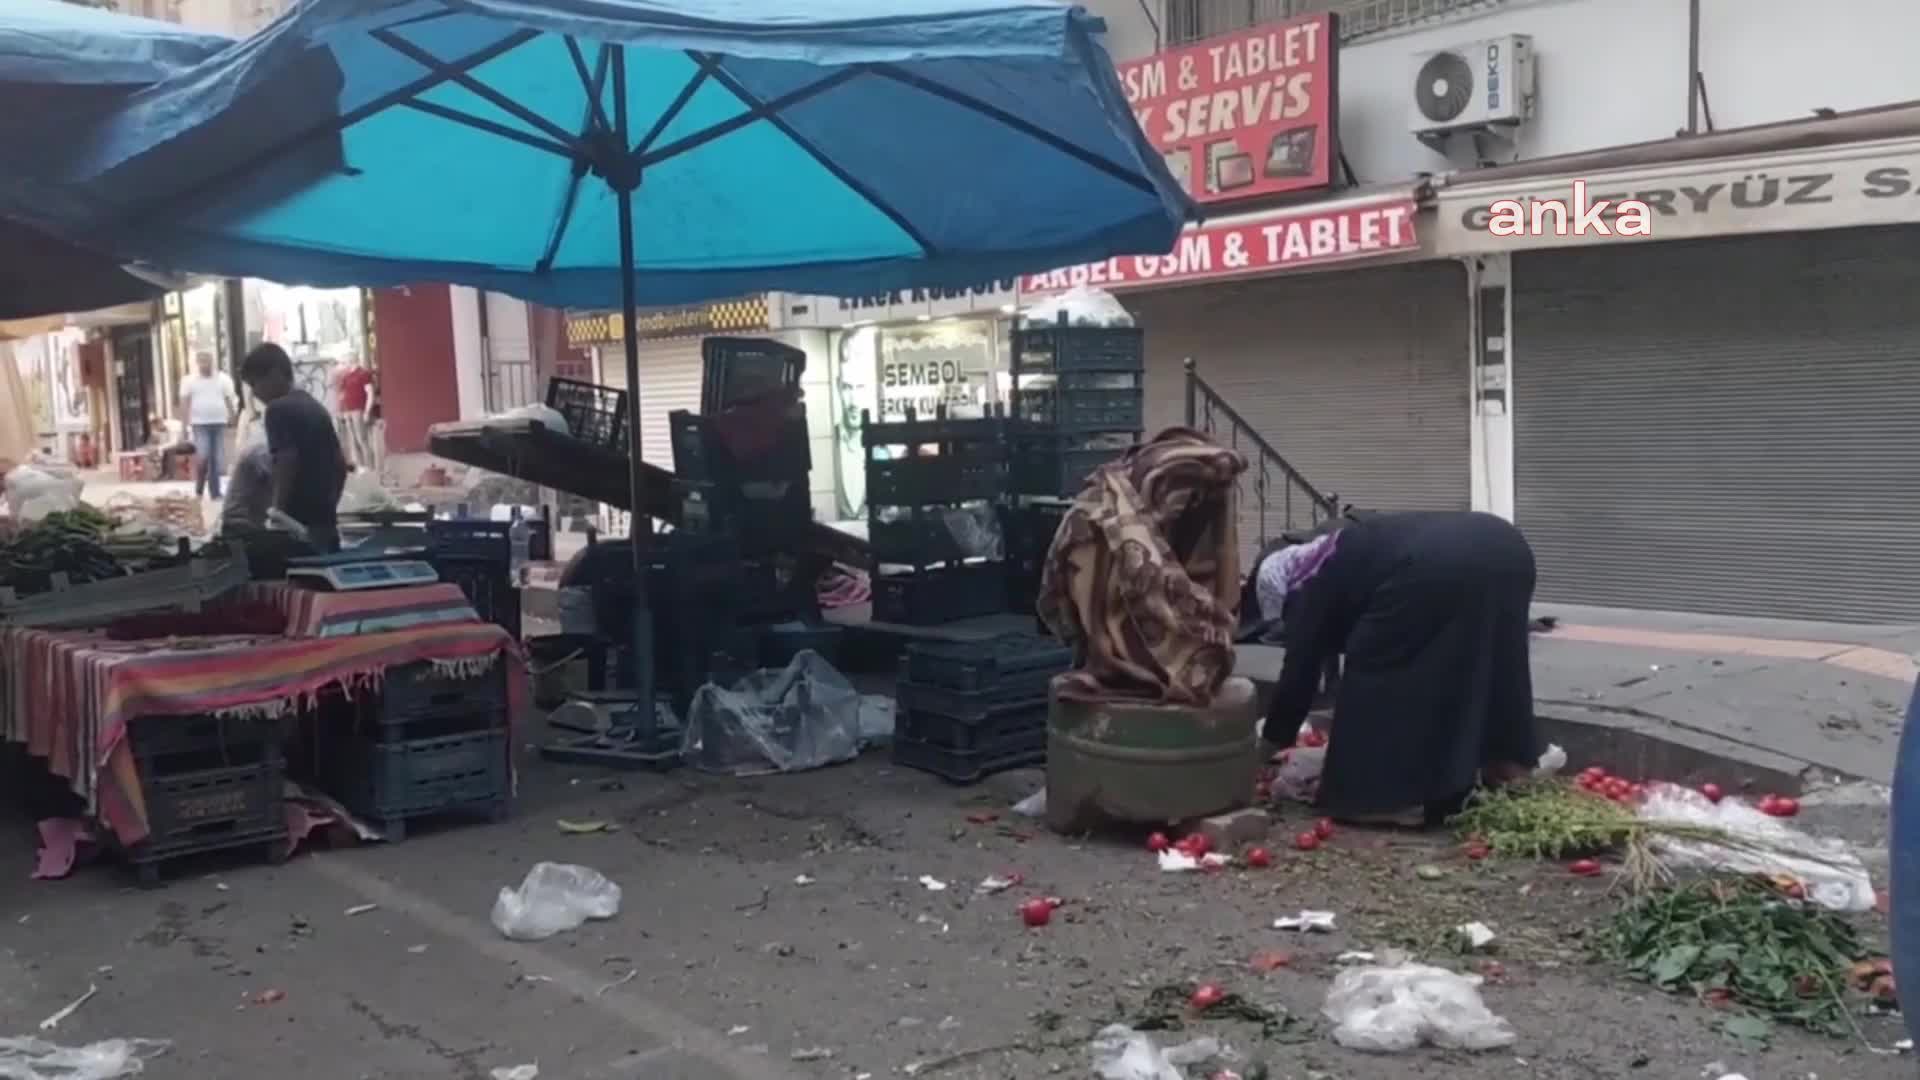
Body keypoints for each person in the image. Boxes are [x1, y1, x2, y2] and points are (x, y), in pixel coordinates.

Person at [1258, 511, 1540, 827]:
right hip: (1506, 547)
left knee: (1376, 669)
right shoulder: (1335, 552)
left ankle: (1381, 800)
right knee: (1496, 656)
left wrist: (1269, 744)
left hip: (1436, 562)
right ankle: (1506, 767)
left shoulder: (1306, 582)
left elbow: (1300, 672)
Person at [239, 343, 349, 552]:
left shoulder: (277, 410)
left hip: (296, 524)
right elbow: (340, 465)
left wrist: (278, 511)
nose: (254, 393)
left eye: (255, 383)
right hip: (325, 523)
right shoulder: (315, 406)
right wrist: (329, 508)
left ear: (275, 374)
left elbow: (286, 460)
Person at [177, 351, 237, 500]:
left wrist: (233, 416)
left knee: (216, 458)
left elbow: (230, 399)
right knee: (203, 456)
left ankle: (215, 492)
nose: (205, 364)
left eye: (208, 361)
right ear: (197, 363)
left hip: (218, 422)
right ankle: (199, 488)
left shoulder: (223, 379)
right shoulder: (190, 380)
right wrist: (183, 426)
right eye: (202, 362)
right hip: (199, 423)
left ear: (213, 361)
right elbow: (184, 403)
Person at [333, 354, 375, 468]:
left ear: (352, 360)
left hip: (358, 410)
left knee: (362, 439)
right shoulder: (346, 376)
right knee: (354, 440)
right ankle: (361, 466)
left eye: (346, 360)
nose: (345, 363)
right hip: (348, 411)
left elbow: (370, 393)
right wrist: (341, 410)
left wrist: (367, 411)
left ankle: (370, 466)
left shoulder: (364, 374)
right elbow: (343, 394)